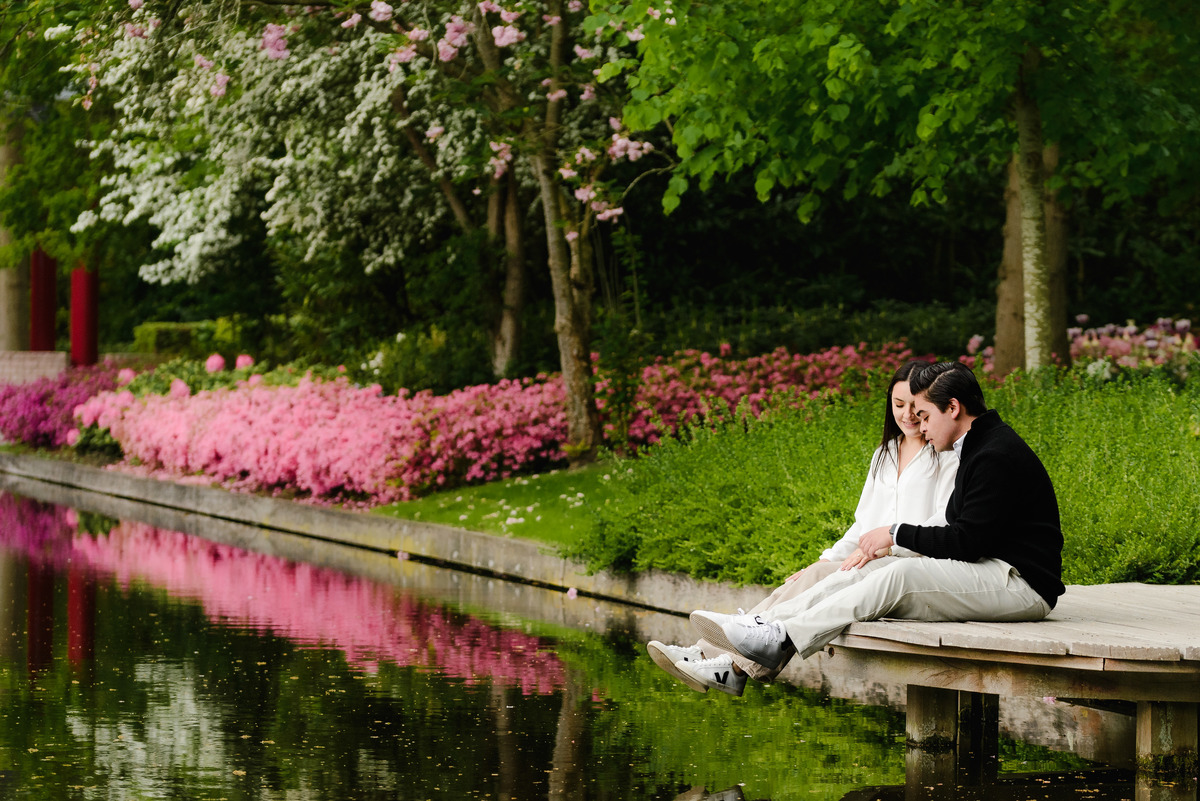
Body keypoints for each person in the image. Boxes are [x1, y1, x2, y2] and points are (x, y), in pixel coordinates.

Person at [681, 361, 1064, 690]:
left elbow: (966, 541)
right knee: (876, 568)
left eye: (925, 416)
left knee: (901, 574)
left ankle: (779, 637)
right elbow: (963, 532)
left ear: (953, 407)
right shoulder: (976, 447)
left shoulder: (994, 453)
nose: (920, 427)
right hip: (991, 570)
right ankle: (767, 626)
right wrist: (884, 545)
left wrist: (895, 534)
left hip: (1022, 585)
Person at [648, 359, 959, 696]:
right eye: (899, 405)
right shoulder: (885, 453)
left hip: (907, 565)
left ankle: (723, 664)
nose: (908, 415)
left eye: (916, 407)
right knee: (808, 576)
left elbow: (942, 523)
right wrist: (825, 559)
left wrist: (888, 543)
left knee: (818, 578)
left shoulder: (943, 453)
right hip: (867, 560)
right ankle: (711, 658)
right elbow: (862, 525)